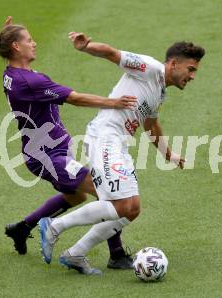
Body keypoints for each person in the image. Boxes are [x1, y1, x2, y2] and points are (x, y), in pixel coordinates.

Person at [39, 32, 205, 275]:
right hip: (105, 138)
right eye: (190, 69)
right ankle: (54, 226)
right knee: (119, 205)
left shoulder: (159, 92)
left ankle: (75, 254)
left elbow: (150, 125)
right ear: (173, 64)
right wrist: (86, 46)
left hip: (119, 144)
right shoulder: (149, 68)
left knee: (132, 209)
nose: (191, 76)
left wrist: (168, 154)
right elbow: (112, 53)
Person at [0, 17, 137, 269]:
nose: (34, 43)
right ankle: (117, 254)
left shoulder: (12, 75)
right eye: (28, 40)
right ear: (15, 47)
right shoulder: (30, 82)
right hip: (48, 156)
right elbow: (75, 98)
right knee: (108, 194)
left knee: (76, 196)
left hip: (45, 151)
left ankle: (22, 228)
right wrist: (113, 103)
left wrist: (5, 33)